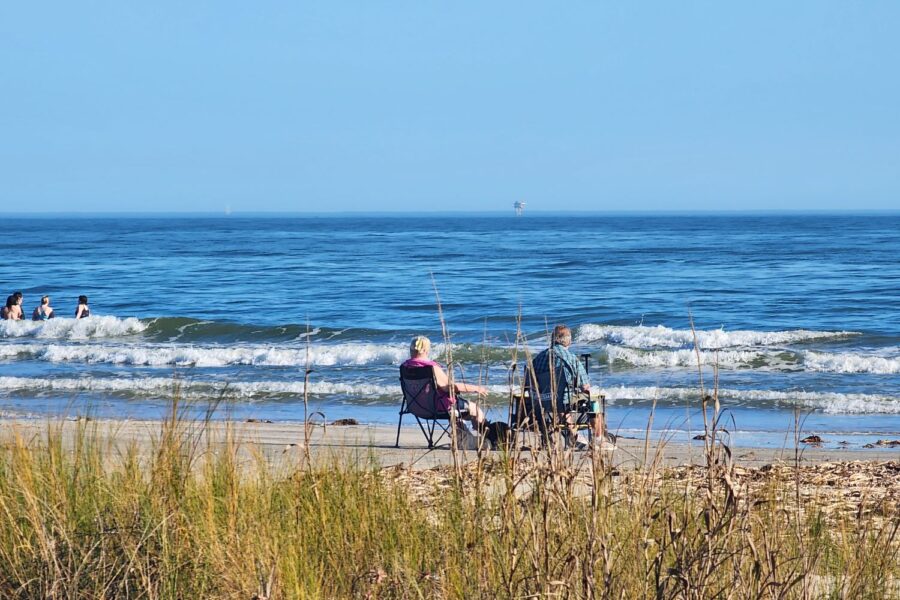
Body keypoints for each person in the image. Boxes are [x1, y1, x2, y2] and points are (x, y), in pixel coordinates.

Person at [527, 324, 614, 450]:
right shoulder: (570, 358)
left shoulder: (538, 358)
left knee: (561, 400)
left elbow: (529, 381)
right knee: (594, 403)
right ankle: (598, 439)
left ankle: (570, 434)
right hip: (563, 401)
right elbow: (585, 386)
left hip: (542, 400)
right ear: (567, 340)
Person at [402, 335, 490, 429]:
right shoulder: (430, 368)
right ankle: (482, 438)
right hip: (436, 408)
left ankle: (462, 437)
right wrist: (476, 388)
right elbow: (450, 387)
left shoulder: (404, 367)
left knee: (451, 407)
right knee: (476, 410)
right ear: (426, 351)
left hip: (415, 407)